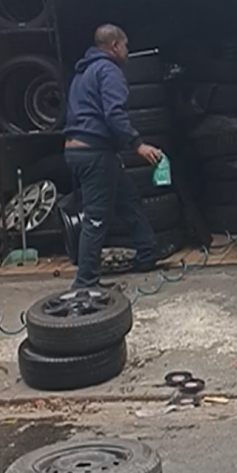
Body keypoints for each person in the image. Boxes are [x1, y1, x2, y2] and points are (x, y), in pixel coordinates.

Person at [63, 24, 163, 292]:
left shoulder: (82, 74)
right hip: (93, 152)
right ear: (115, 46)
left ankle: (147, 255)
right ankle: (85, 283)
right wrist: (138, 145)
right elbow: (114, 113)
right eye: (125, 45)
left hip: (81, 151)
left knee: (128, 199)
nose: (127, 51)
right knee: (96, 218)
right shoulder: (108, 71)